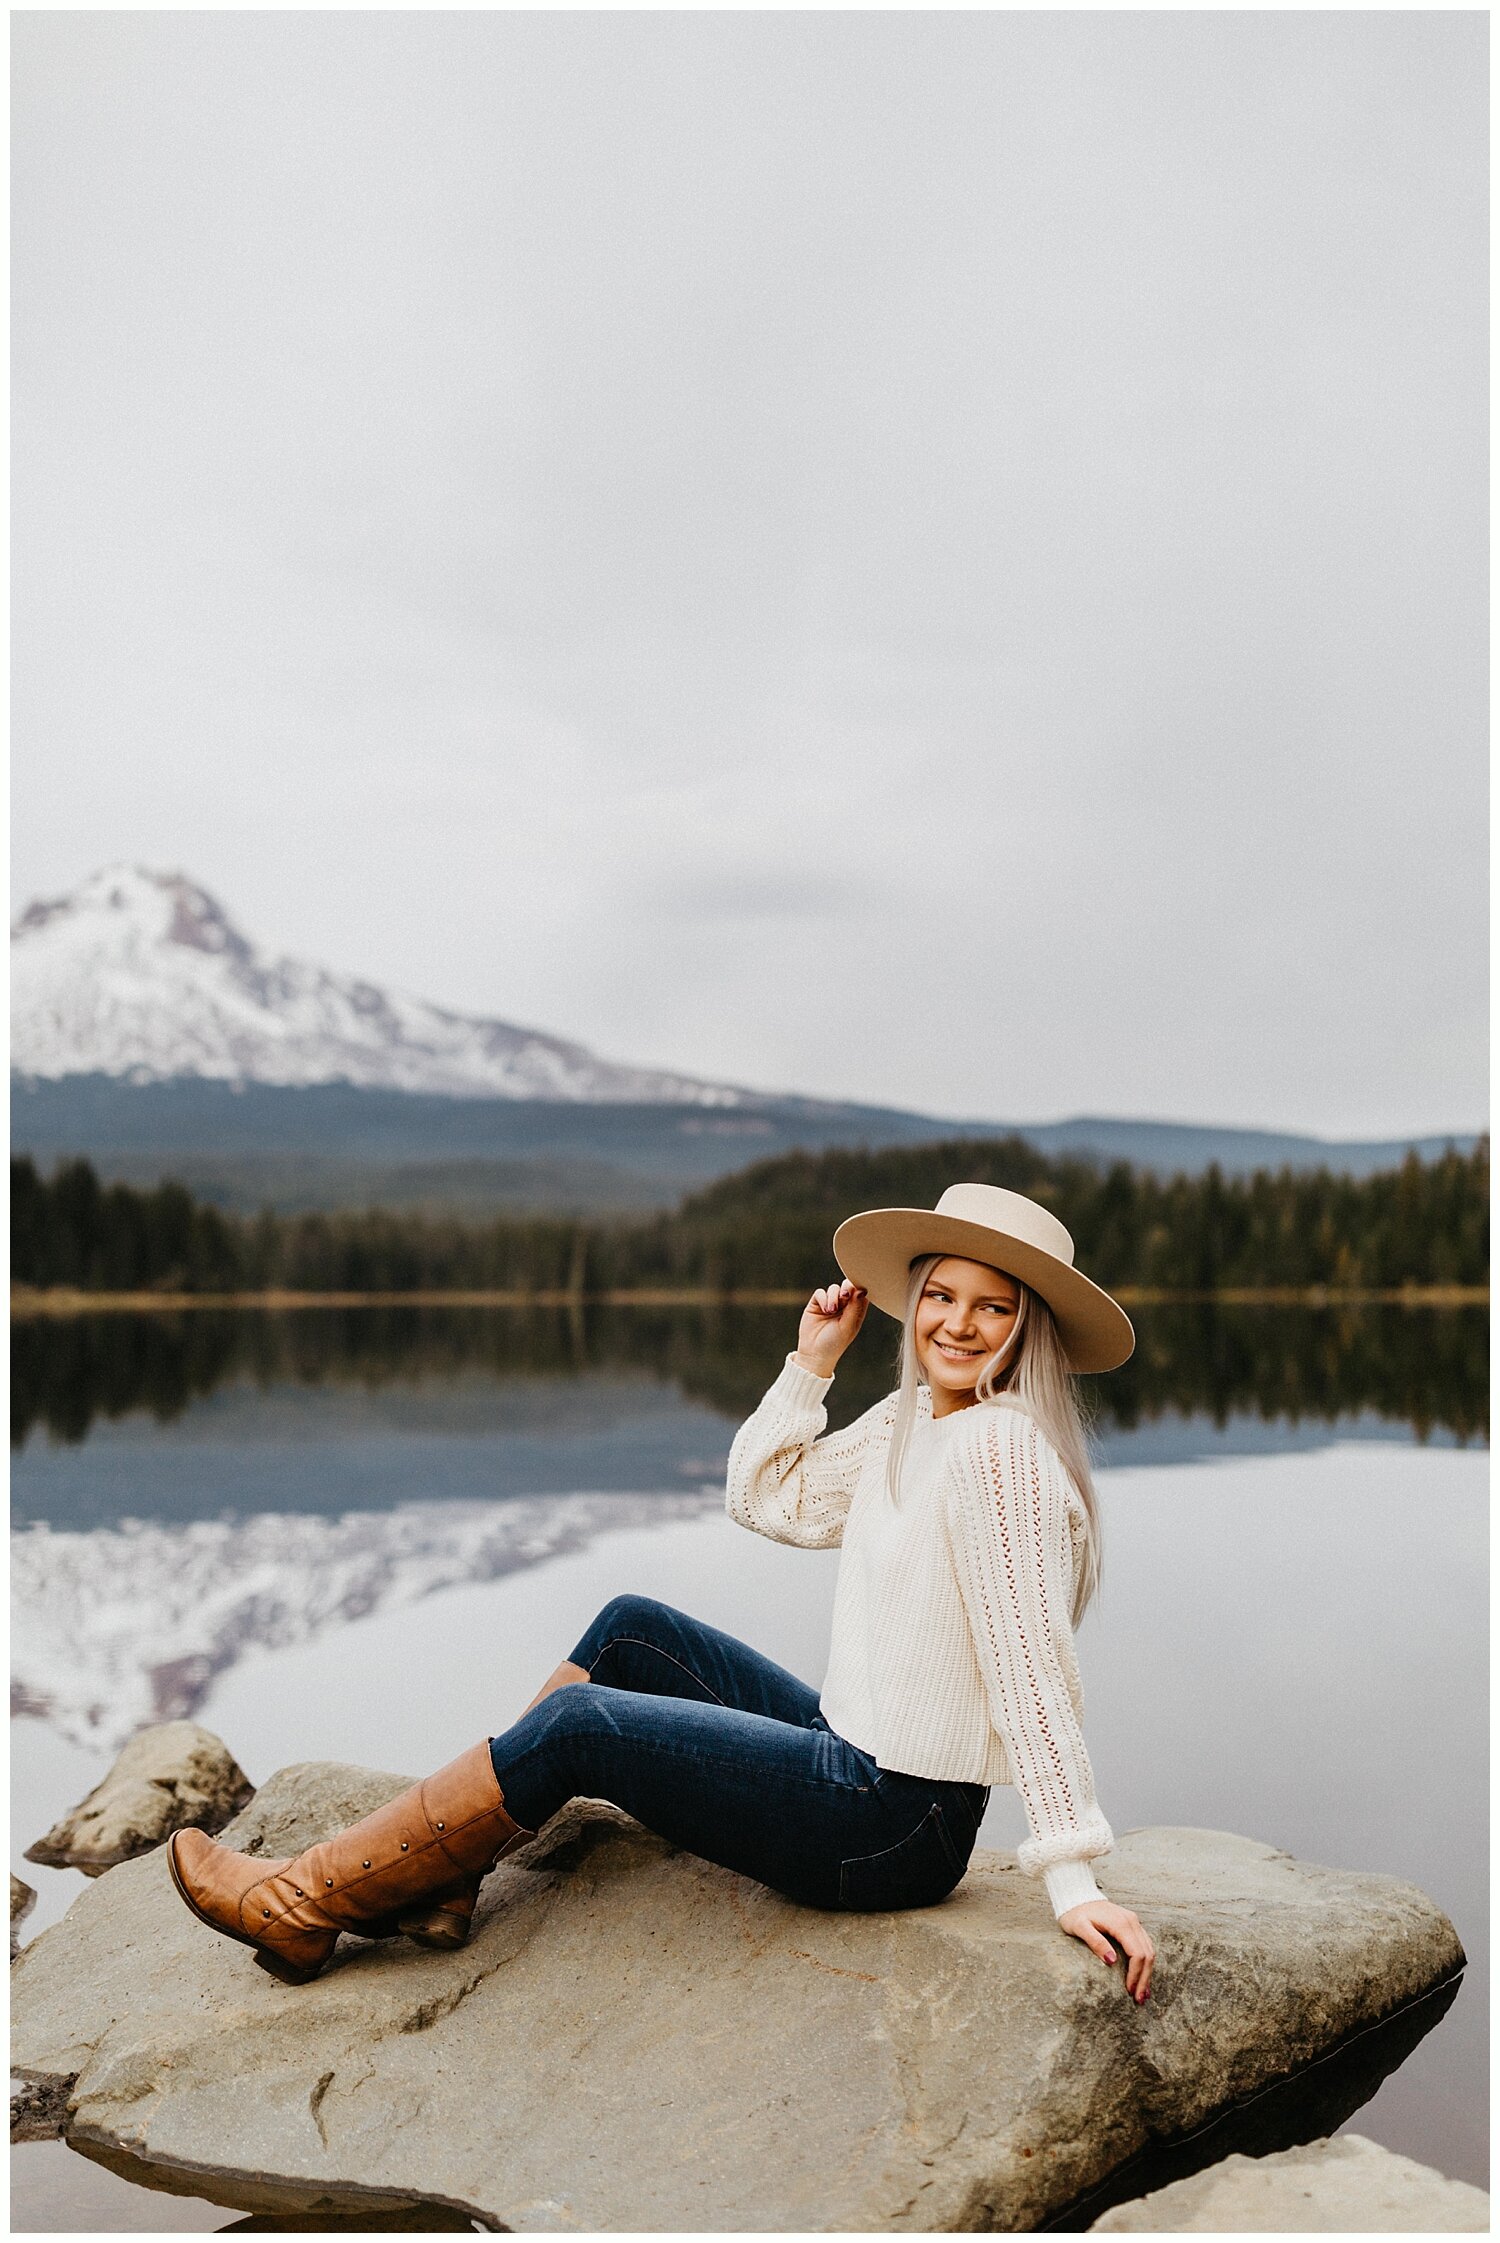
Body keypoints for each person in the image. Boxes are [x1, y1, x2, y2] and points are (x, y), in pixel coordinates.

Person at [168, 1182, 1155, 2003]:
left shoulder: (1002, 1450)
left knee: (584, 1726)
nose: (961, 1322)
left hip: (894, 1823)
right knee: (634, 1628)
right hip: (850, 1752)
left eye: (996, 1305)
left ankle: (306, 1901)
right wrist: (810, 1364)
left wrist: (1071, 1875)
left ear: (1029, 1328)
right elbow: (765, 1497)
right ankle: (446, 1876)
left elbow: (1033, 1671)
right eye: (944, 1294)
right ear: (916, 1299)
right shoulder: (917, 1417)